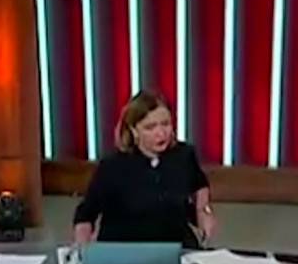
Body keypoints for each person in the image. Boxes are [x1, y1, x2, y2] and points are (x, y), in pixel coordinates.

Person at [72, 91, 215, 249]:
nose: (161, 133)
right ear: (134, 130)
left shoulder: (184, 155)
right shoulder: (112, 166)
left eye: (165, 124)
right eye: (150, 127)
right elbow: (86, 214)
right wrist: (82, 248)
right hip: (125, 252)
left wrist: (202, 211)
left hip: (176, 248)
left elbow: (200, 184)